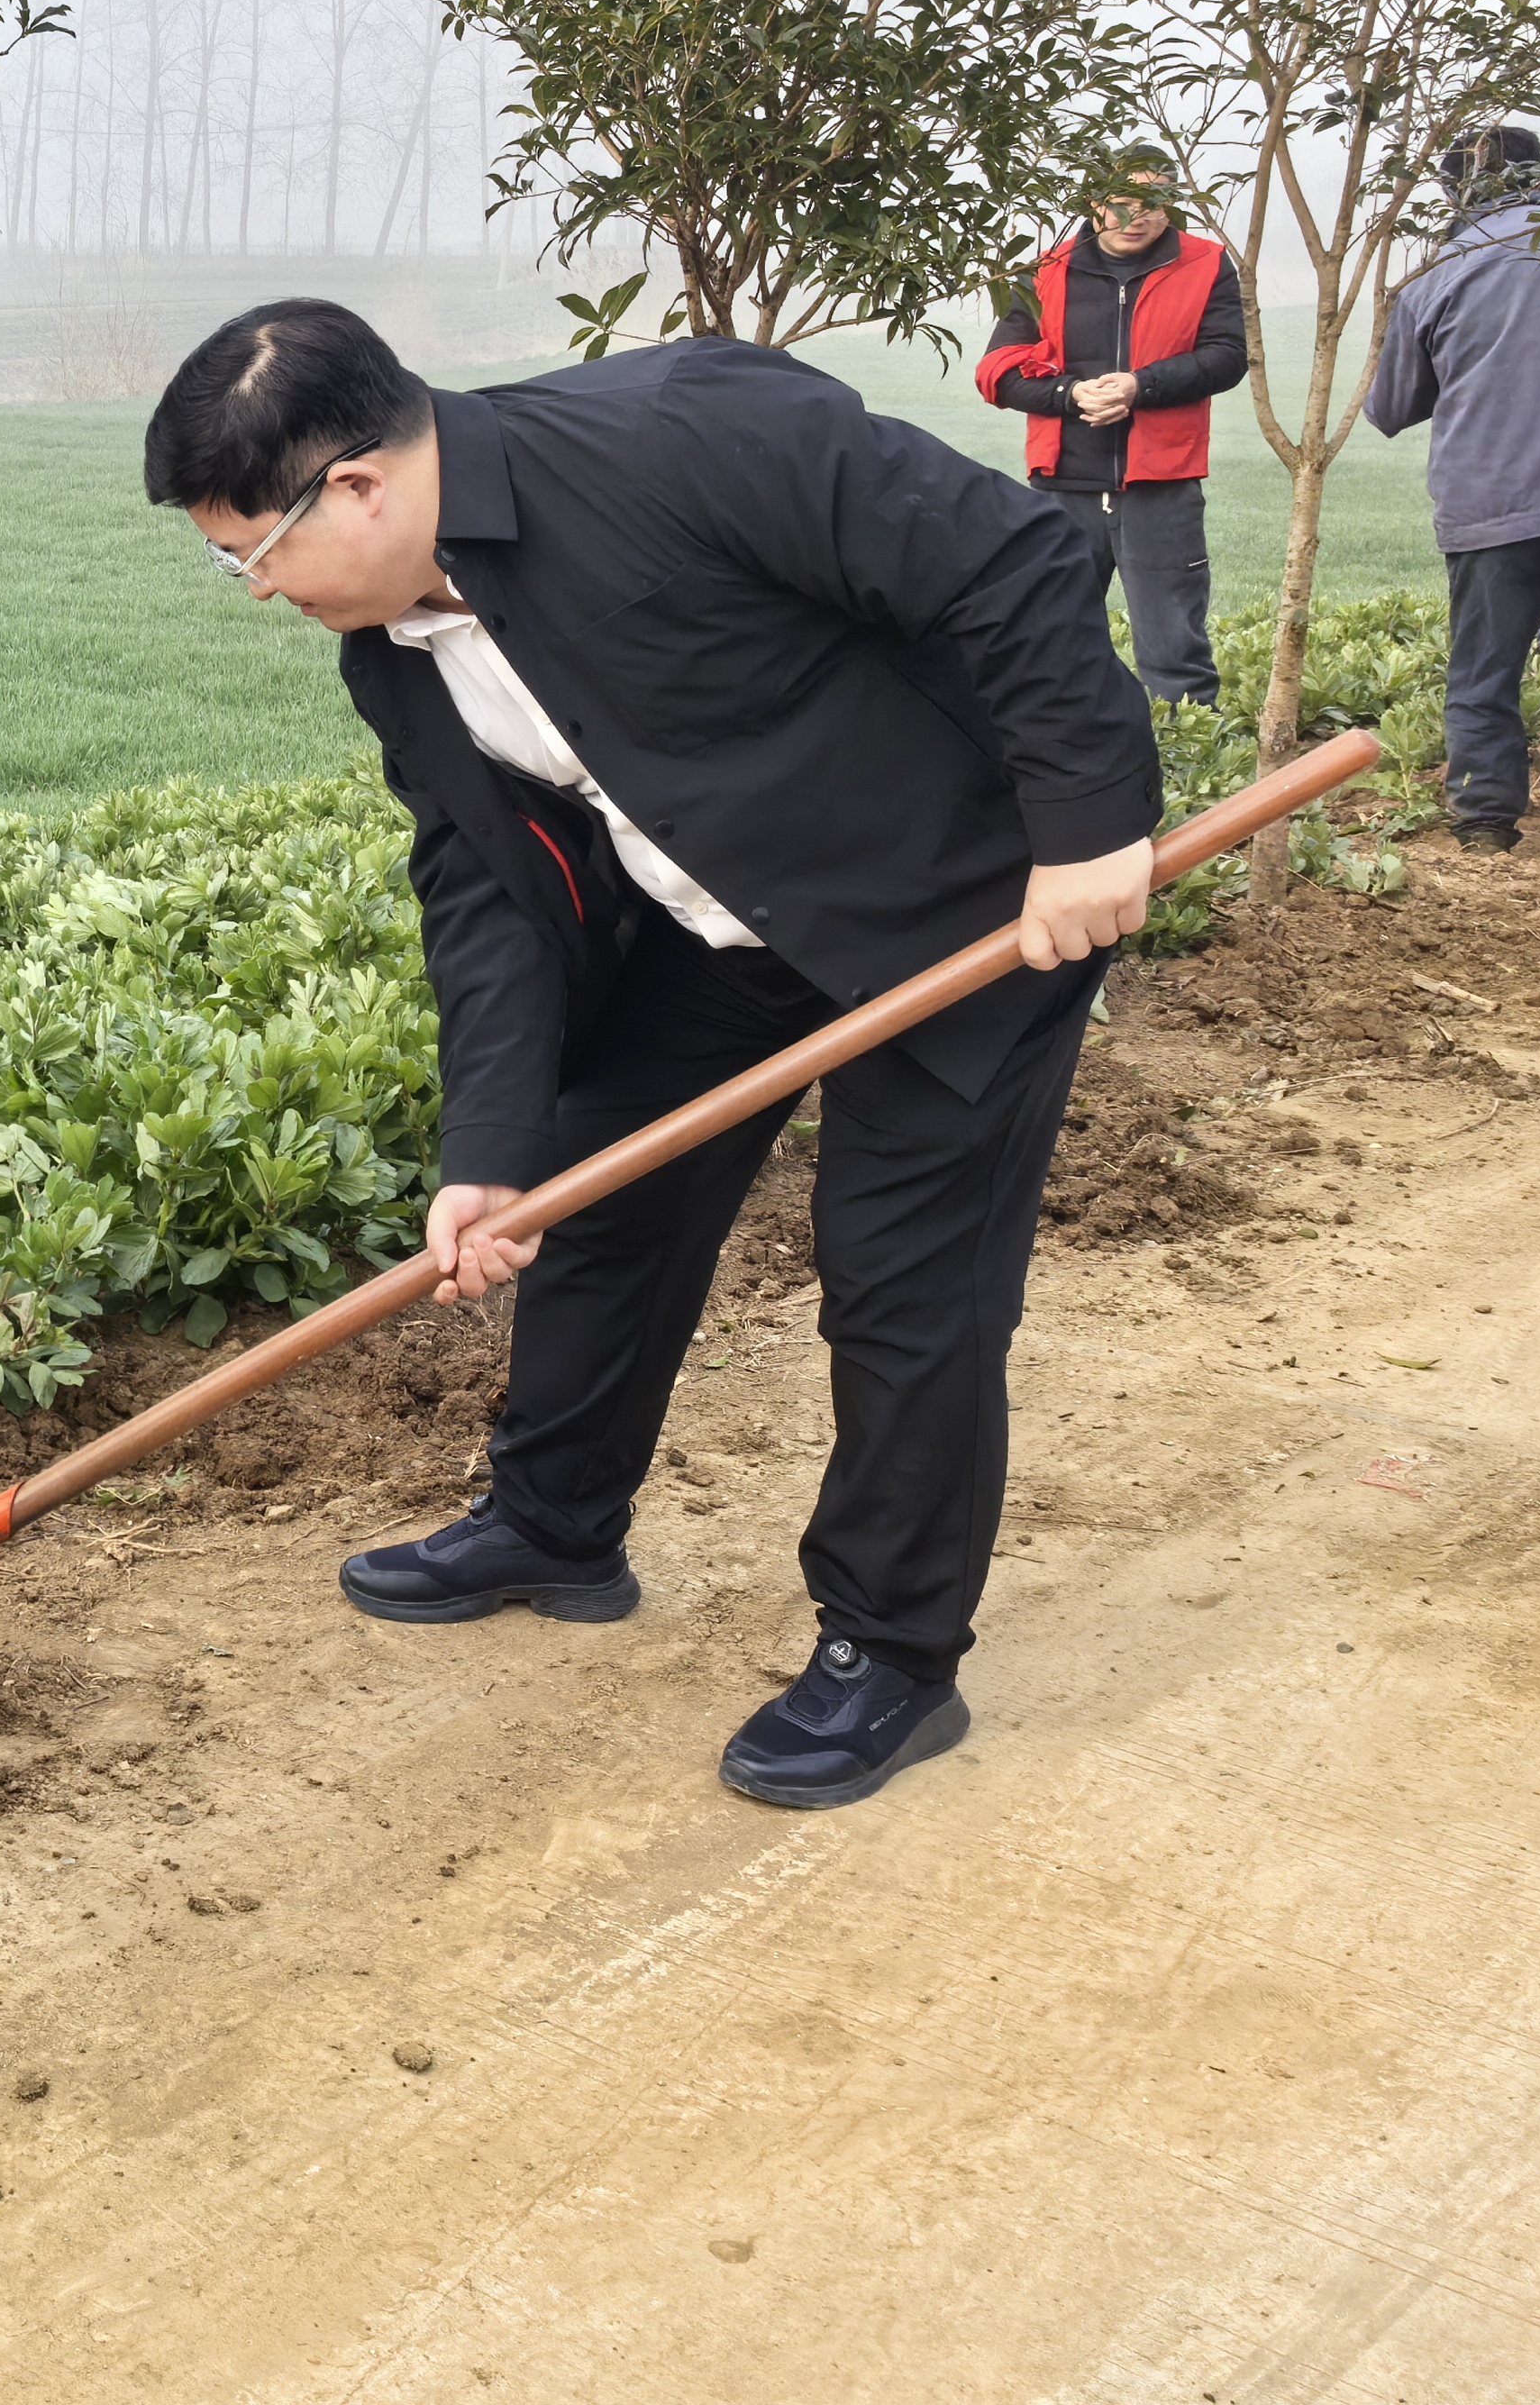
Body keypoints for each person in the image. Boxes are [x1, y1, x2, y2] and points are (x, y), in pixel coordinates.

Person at [146, 304, 1161, 1811]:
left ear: (355, 487)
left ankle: (890, 1647)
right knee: (598, 1197)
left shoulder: (680, 438)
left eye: (255, 550)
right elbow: (481, 883)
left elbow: (1012, 558)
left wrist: (1086, 828)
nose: (255, 588)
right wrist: (490, 1145)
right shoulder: (398, 654)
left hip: (952, 907)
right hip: (716, 925)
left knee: (901, 1284)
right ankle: (555, 1523)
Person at [974, 151, 1249, 705]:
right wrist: (1070, 395)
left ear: (1172, 205)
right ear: (1094, 203)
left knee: (1176, 649)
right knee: (1054, 641)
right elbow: (996, 372)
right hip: (1061, 485)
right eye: (1121, 204)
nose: (1136, 217)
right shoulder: (1045, 269)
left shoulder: (1207, 264)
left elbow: (1227, 357)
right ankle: (1071, 755)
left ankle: (1189, 763)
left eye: (1152, 204)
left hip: (1163, 483)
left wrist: (1139, 387)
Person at [1364, 123, 1540, 852]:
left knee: (1484, 673)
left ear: (1452, 191)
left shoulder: (1444, 270)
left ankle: (1484, 828)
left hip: (1492, 503)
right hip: (1497, 500)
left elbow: (1390, 408)